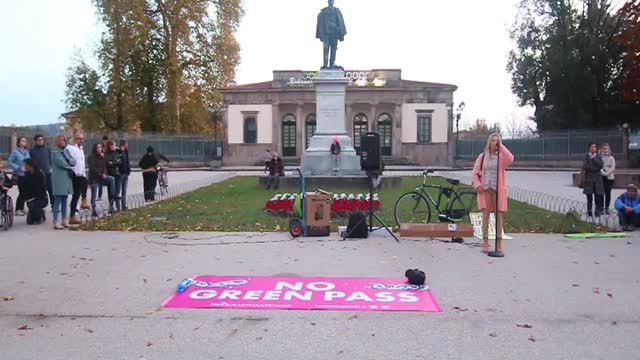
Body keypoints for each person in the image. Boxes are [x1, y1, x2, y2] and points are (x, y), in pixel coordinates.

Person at [472, 133, 514, 254]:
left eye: (497, 141)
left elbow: (511, 158)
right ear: (489, 143)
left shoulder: (502, 157)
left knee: (498, 217)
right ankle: (485, 242)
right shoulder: (483, 157)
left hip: (497, 191)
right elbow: (475, 173)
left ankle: (499, 242)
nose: (495, 143)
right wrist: (478, 184)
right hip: (485, 190)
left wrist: (502, 147)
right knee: (485, 216)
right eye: (493, 141)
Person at [51, 135, 76, 230]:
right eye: (61, 140)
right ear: (57, 141)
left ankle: (64, 219)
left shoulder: (66, 151)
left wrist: (69, 160)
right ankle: (55, 221)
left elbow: (73, 161)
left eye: (64, 140)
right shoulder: (54, 152)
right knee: (57, 199)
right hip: (58, 178)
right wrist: (69, 163)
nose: (63, 142)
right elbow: (61, 163)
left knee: (65, 199)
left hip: (67, 178)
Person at [66, 131, 89, 225]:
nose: (82, 140)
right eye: (80, 139)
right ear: (75, 139)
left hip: (81, 174)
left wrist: (84, 173)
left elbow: (82, 163)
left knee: (82, 188)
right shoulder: (70, 148)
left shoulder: (80, 149)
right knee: (75, 196)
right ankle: (72, 215)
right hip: (74, 175)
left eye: (82, 139)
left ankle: (83, 201)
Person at [316, 0, 347, 68]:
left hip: (334, 33)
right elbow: (320, 22)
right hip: (326, 34)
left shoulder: (336, 11)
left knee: (334, 49)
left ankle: (332, 63)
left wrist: (339, 30)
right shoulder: (324, 12)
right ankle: (325, 64)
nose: (331, 2)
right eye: (330, 0)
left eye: (332, 0)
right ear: (328, 2)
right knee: (326, 48)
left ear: (333, 2)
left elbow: (340, 22)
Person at [87, 143, 115, 218]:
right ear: (95, 148)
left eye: (100, 147)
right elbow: (92, 168)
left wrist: (104, 173)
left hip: (101, 177)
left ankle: (112, 196)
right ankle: (94, 210)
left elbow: (105, 167)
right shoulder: (91, 157)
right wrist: (100, 174)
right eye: (98, 147)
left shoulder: (102, 156)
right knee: (94, 194)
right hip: (94, 178)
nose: (99, 149)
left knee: (111, 179)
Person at [30, 134, 54, 207]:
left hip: (48, 172)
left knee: (50, 189)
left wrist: (50, 168)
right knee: (40, 190)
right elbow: (30, 161)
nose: (40, 141)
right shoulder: (32, 151)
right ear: (35, 141)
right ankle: (40, 205)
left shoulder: (47, 149)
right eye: (39, 140)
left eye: (42, 140)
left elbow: (50, 159)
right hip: (38, 174)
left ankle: (53, 204)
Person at [8, 136, 30, 216]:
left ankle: (22, 207)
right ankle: (18, 209)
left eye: (25, 141)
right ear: (19, 142)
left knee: (26, 191)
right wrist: (17, 167)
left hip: (27, 174)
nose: (24, 142)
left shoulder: (27, 152)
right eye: (22, 140)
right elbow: (10, 162)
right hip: (19, 174)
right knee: (22, 191)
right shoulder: (15, 152)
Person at [582, 143, 604, 222]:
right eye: (591, 147)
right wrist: (594, 168)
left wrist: (594, 159)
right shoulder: (586, 156)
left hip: (598, 180)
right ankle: (589, 214)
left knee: (597, 198)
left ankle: (597, 214)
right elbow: (586, 166)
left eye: (594, 147)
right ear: (589, 148)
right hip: (589, 179)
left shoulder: (598, 156)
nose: (593, 148)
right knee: (589, 198)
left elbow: (601, 165)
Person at [22, 158, 48, 225]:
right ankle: (37, 213)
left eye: (26, 165)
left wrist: (35, 198)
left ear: (31, 166)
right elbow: (24, 189)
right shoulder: (26, 175)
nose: (24, 167)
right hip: (30, 199)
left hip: (41, 198)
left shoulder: (40, 175)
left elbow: (42, 189)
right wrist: (27, 198)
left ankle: (40, 214)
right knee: (30, 222)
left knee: (36, 207)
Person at [105, 141, 122, 213]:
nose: (115, 147)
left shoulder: (117, 153)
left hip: (117, 174)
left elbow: (119, 162)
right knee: (111, 192)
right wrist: (113, 163)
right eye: (113, 145)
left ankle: (118, 207)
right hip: (110, 174)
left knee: (117, 192)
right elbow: (107, 163)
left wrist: (113, 163)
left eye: (115, 145)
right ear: (110, 146)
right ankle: (111, 207)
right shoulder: (106, 154)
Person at [600, 143, 616, 214]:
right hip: (601, 176)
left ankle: (606, 208)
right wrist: (603, 172)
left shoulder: (611, 158)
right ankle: (600, 208)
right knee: (601, 193)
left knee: (607, 193)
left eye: (606, 148)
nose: (605, 150)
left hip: (609, 177)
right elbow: (599, 166)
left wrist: (607, 173)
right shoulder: (600, 157)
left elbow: (613, 167)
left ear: (609, 149)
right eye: (604, 148)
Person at [118, 140, 131, 211]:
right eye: (127, 143)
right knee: (118, 190)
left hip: (126, 173)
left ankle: (123, 205)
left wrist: (128, 170)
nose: (127, 145)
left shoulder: (126, 151)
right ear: (124, 144)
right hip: (121, 173)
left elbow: (127, 162)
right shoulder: (119, 152)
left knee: (124, 190)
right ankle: (118, 206)